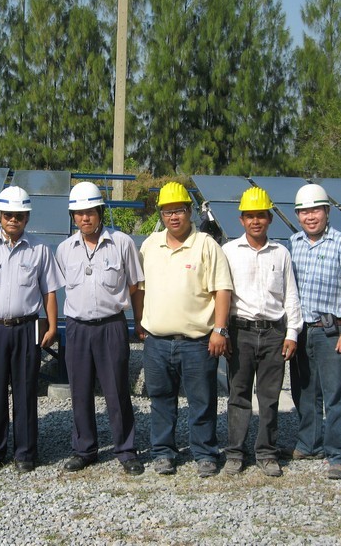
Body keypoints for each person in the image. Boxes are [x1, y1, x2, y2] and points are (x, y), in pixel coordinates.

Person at [136, 181, 232, 478]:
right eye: (167, 212)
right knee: (160, 401)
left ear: (189, 211)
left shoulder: (206, 245)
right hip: (157, 342)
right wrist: (140, 321)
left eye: (178, 210)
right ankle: (163, 452)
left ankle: (205, 453)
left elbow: (222, 289)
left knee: (202, 401)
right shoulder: (150, 245)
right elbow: (140, 288)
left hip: (197, 342)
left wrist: (220, 330)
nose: (173, 217)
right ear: (161, 215)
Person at [0, 186, 63, 473]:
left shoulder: (40, 250)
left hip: (26, 329)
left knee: (26, 391)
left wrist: (52, 326)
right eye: (8, 214)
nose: (13, 220)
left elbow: (50, 291)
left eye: (19, 215)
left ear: (27, 218)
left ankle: (25, 453)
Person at [55, 182, 144, 476]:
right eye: (79, 213)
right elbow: (59, 289)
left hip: (111, 326)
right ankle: (84, 449)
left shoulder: (122, 243)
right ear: (72, 216)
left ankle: (126, 449)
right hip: (77, 328)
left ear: (100, 212)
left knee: (117, 390)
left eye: (90, 211)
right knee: (80, 391)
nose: (85, 218)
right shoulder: (65, 249)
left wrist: (138, 320)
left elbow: (135, 286)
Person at [221, 187, 302, 477]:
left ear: (270, 219)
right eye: (250, 216)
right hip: (240, 332)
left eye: (261, 215)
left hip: (273, 334)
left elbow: (291, 296)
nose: (255, 221)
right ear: (241, 220)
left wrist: (292, 333)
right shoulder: (228, 252)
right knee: (238, 395)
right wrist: (222, 332)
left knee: (269, 397)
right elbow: (221, 294)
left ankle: (267, 453)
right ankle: (235, 454)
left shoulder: (281, 253)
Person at [287, 184, 341, 480]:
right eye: (304, 212)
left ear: (327, 211)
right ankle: (309, 444)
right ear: (297, 215)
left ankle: (338, 455)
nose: (310, 217)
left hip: (332, 330)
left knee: (336, 396)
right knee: (304, 391)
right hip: (302, 330)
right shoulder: (293, 243)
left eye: (315, 210)